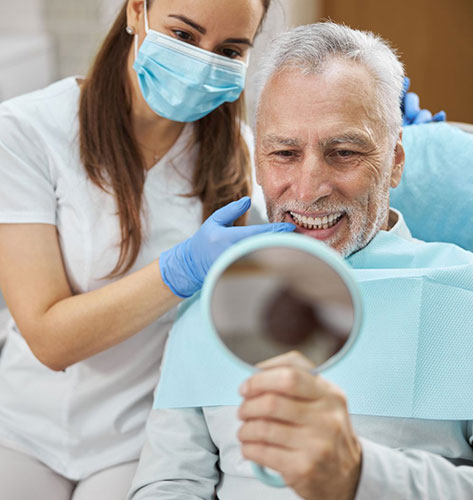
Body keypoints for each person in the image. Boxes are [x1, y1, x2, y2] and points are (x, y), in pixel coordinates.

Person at [127, 22, 473, 500]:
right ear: (257, 159)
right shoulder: (212, 299)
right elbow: (169, 482)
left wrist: (361, 475)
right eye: (283, 153)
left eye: (343, 152)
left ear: (396, 162)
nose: (307, 191)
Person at [0, 0, 299, 498]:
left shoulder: (243, 161)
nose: (203, 61)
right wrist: (178, 271)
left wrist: (382, 137)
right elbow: (50, 339)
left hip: (142, 436)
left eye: (228, 49)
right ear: (136, 11)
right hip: (21, 425)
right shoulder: (27, 131)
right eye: (183, 36)